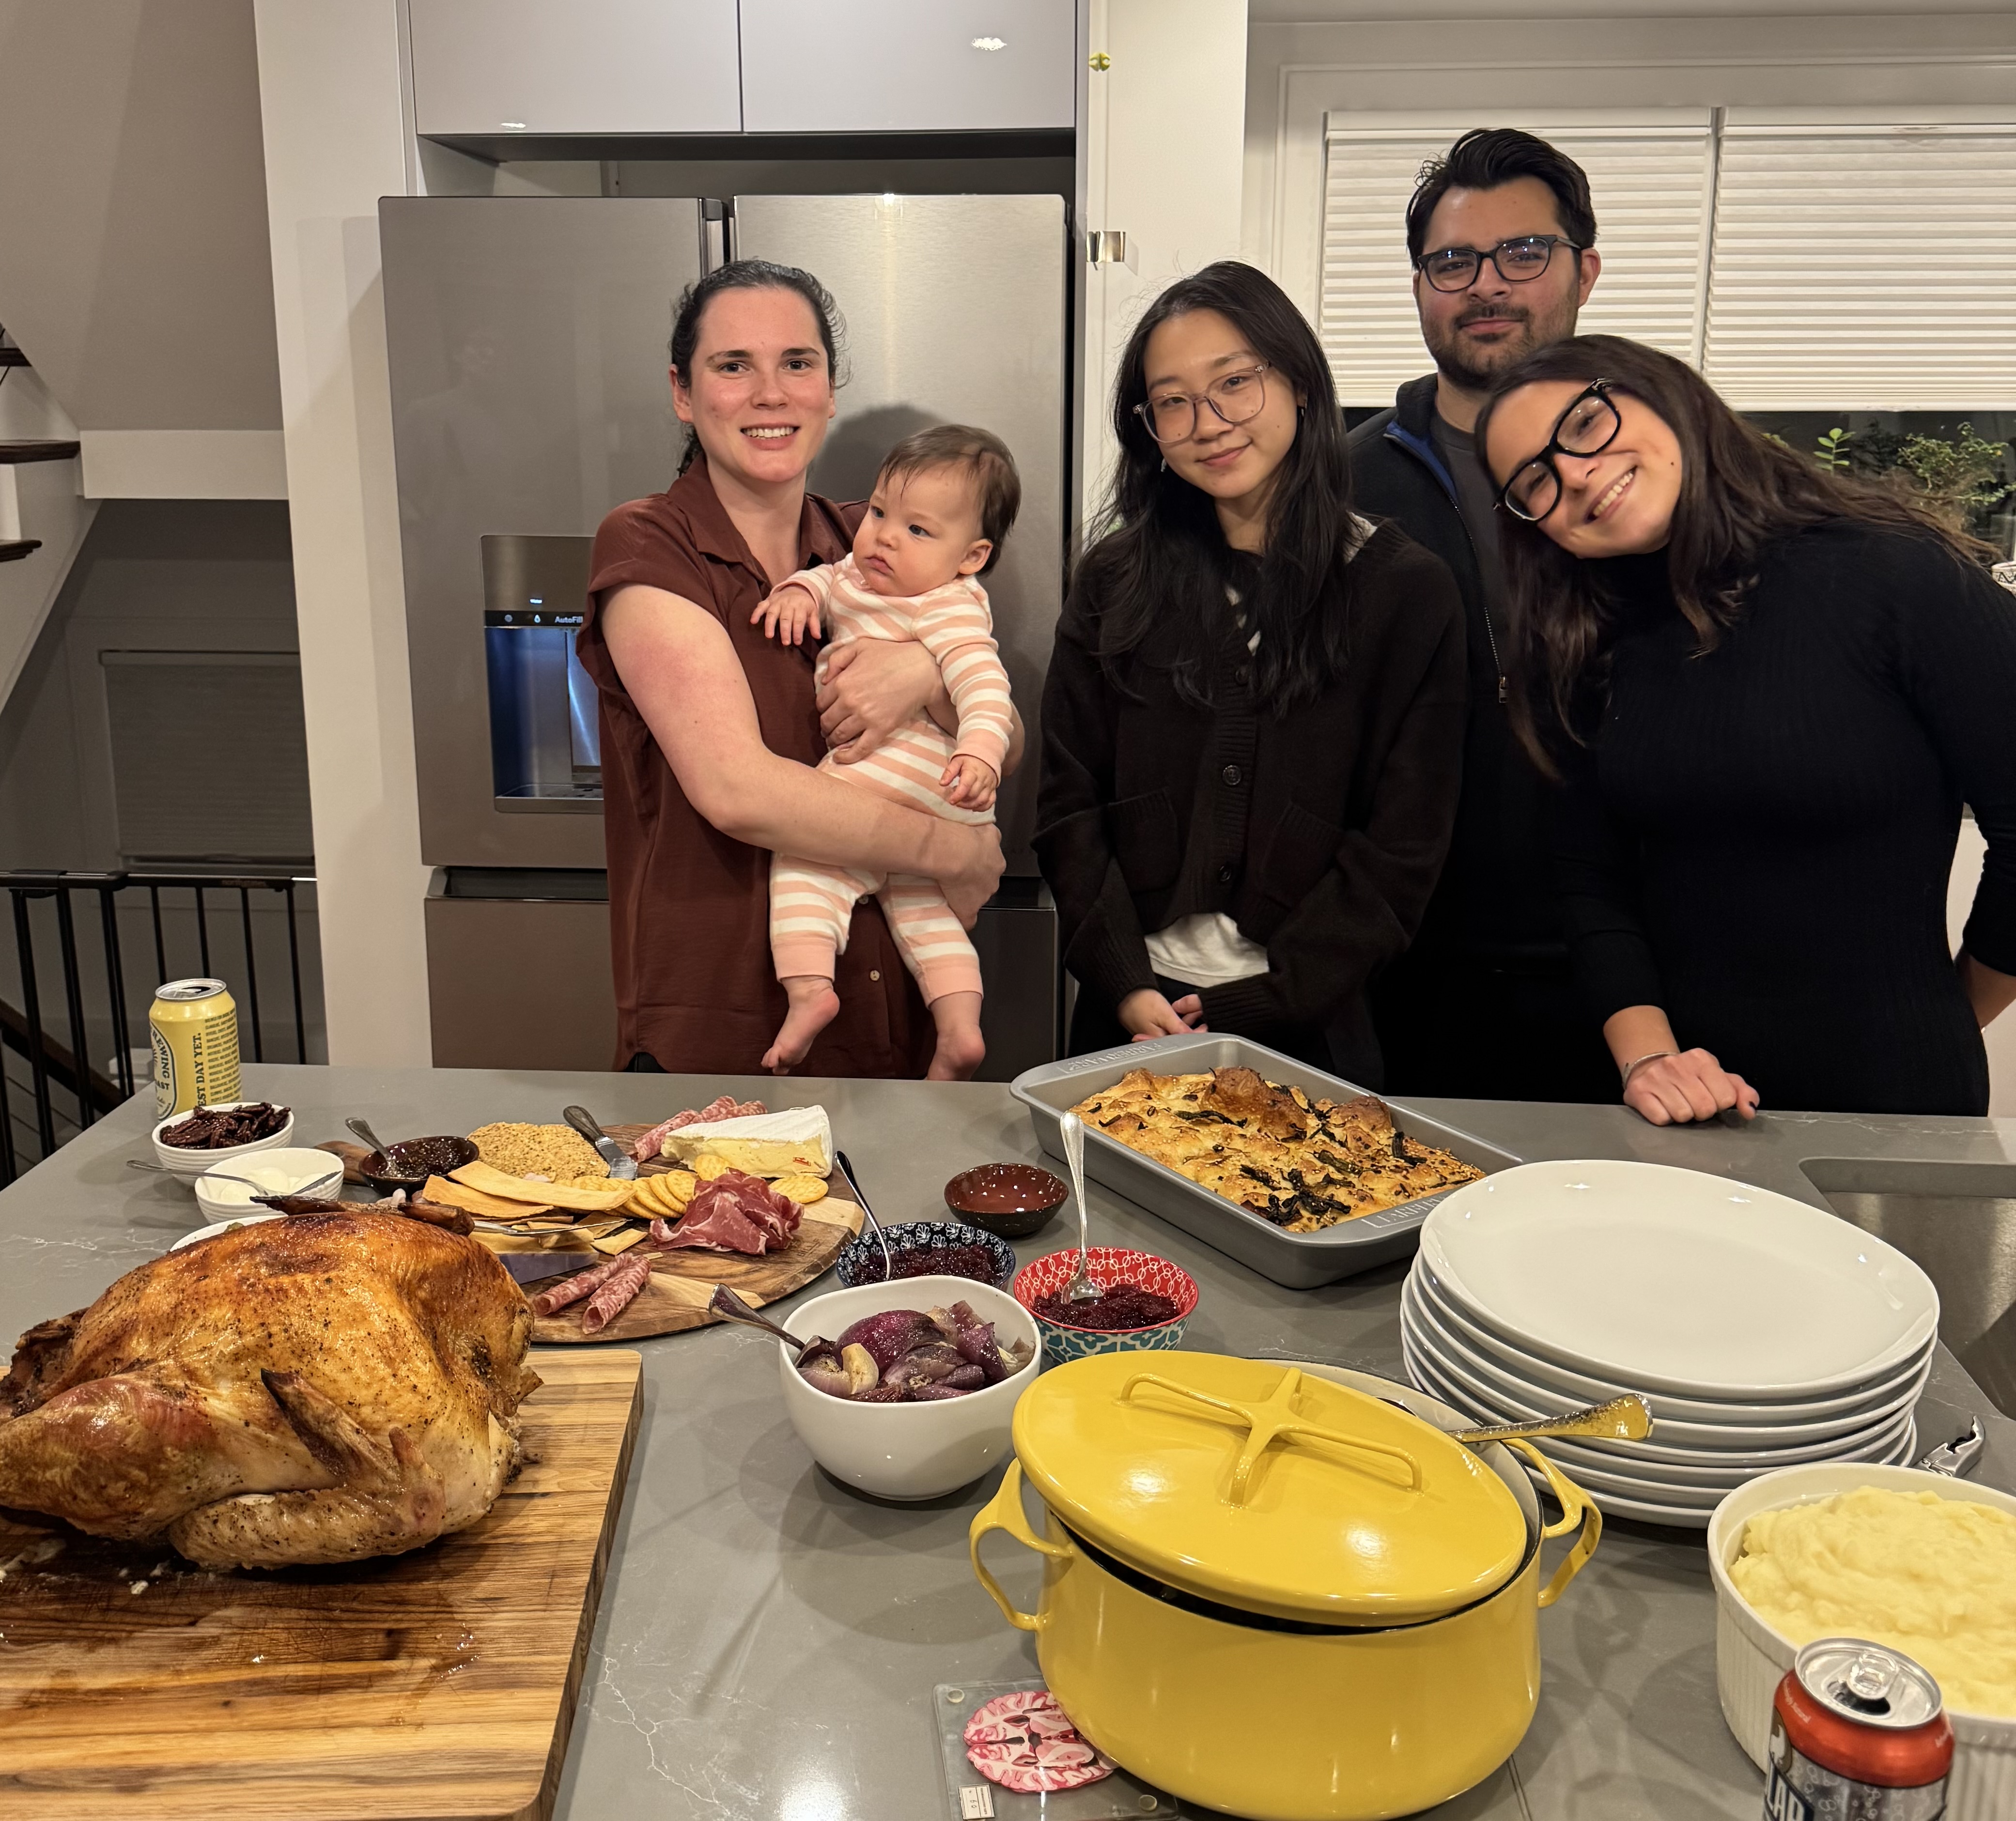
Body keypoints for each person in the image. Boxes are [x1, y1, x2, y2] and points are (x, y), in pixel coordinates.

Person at [1475, 333, 2016, 1122]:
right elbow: (1589, 881)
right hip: (1675, 1112)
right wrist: (1650, 1061)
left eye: (1585, 426)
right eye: (1536, 481)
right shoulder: (1577, 646)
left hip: (1894, 1103)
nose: (1575, 474)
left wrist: (1949, 1015)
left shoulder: (1899, 573)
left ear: (1661, 393)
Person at [575, 261, 1021, 1076]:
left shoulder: (877, 538)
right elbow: (738, 790)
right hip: (727, 1028)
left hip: (892, 1013)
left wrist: (925, 673)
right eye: (733, 366)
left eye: (797, 363)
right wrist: (952, 851)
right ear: (683, 392)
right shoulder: (650, 545)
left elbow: (1000, 720)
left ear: (829, 389)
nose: (771, 393)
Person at [1037, 261, 1466, 1077]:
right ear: (1148, 426)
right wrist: (1125, 984)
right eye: (1172, 401)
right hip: (1127, 1019)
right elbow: (1068, 803)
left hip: (1311, 1027)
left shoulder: (1405, 592)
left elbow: (1403, 844)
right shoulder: (1114, 581)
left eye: (1234, 382)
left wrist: (1276, 995)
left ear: (1299, 383)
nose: (1208, 422)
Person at [1349, 127, 1618, 1102]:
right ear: (1420, 283)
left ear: (1582, 269)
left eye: (1523, 253)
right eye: (1452, 261)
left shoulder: (1649, 471)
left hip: (1628, 974)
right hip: (1399, 969)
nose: (1485, 285)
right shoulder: (1344, 481)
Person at [754, 424, 1021, 1080]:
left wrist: (982, 754)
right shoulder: (862, 571)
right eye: (878, 513)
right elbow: (826, 581)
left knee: (805, 864)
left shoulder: (948, 605)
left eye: (919, 531)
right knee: (925, 915)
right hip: (937, 807)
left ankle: (810, 988)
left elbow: (984, 686)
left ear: (972, 557)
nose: (884, 536)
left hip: (903, 777)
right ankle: (959, 1033)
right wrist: (796, 591)